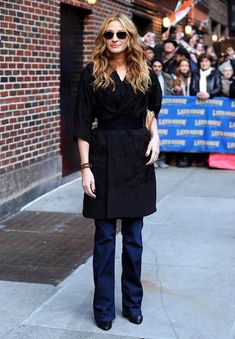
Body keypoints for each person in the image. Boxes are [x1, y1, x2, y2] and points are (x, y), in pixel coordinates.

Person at [74, 13, 162, 331]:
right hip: (102, 155)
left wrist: (156, 136)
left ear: (130, 38)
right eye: (109, 33)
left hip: (137, 158)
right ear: (103, 37)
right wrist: (85, 168)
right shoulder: (91, 73)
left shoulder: (145, 72)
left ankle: (133, 303)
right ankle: (104, 308)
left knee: (135, 239)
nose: (114, 39)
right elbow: (82, 123)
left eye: (121, 34)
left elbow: (152, 110)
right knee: (105, 238)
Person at [171, 58, 192, 167]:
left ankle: (187, 158)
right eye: (182, 65)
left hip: (193, 109)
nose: (184, 67)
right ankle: (180, 158)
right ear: (178, 67)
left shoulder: (193, 78)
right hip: (179, 110)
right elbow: (172, 91)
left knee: (190, 134)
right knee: (179, 134)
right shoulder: (175, 78)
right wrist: (175, 90)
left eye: (186, 65)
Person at [152, 58, 172, 168]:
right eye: (155, 66)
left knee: (165, 134)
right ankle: (153, 159)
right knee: (153, 134)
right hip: (152, 108)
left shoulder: (167, 77)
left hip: (167, 109)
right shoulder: (148, 76)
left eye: (159, 66)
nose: (157, 68)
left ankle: (162, 159)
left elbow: (170, 91)